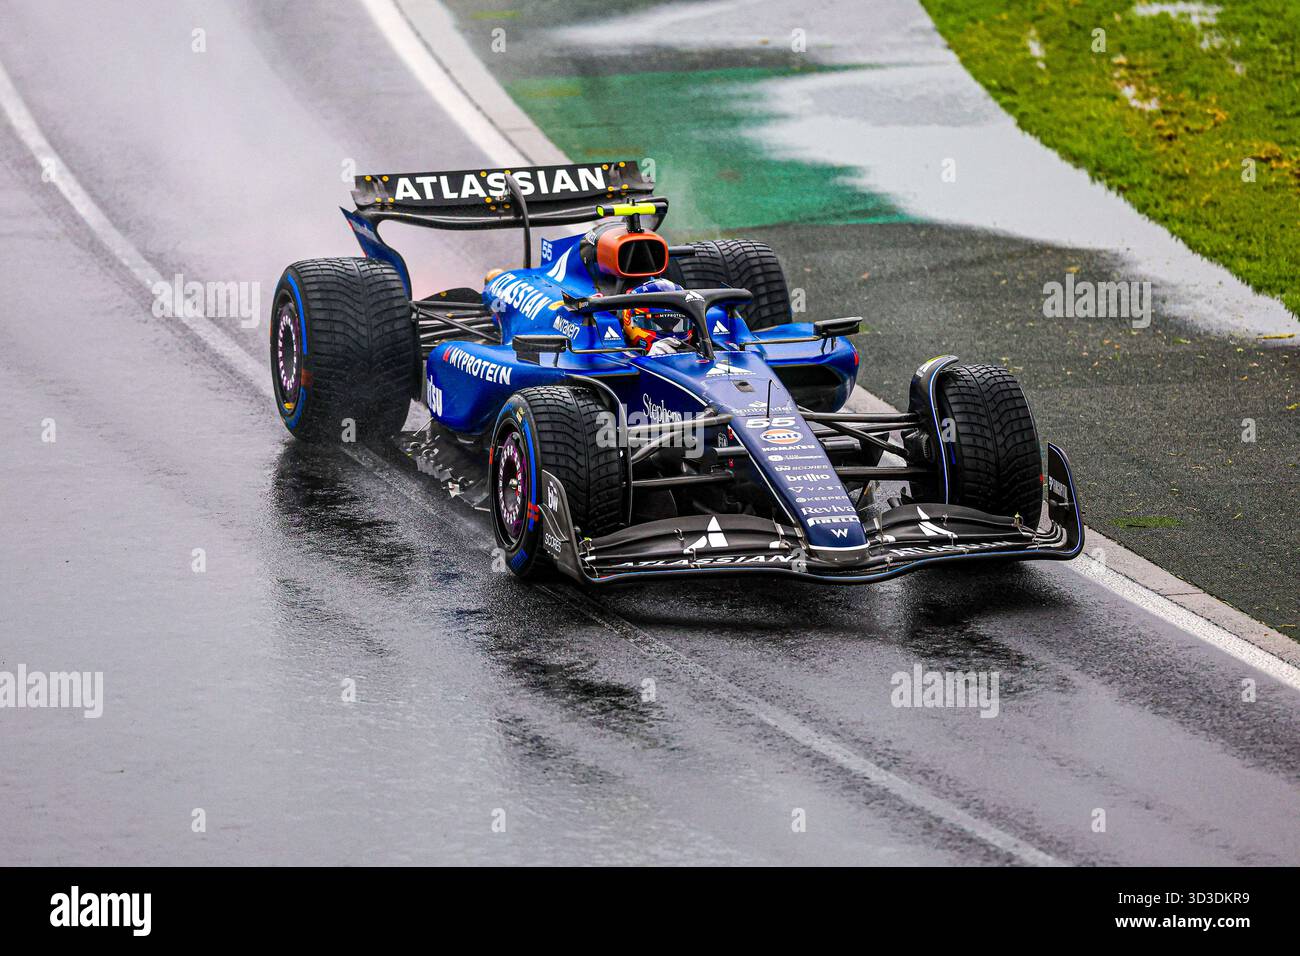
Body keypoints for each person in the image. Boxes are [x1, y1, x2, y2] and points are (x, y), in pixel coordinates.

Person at [617, 277, 693, 356]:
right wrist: (650, 361)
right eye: (661, 325)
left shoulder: (703, 348)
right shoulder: (613, 354)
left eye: (678, 325)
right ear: (629, 320)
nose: (673, 337)